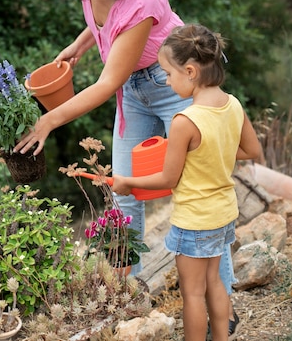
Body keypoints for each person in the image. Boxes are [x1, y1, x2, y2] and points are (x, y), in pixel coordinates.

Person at [13, 0, 240, 337]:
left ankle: (220, 307)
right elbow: (106, 19)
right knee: (123, 191)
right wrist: (81, 44)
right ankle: (123, 297)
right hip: (134, 90)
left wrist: (49, 118)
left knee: (201, 190)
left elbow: (107, 82)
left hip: (174, 82)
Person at [111, 24, 261, 341]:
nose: (166, 81)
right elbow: (252, 149)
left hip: (194, 220)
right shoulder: (232, 104)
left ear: (190, 71)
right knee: (215, 284)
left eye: (167, 73)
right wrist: (214, 149)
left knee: (193, 294)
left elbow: (168, 178)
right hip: (223, 214)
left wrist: (127, 182)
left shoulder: (185, 121)